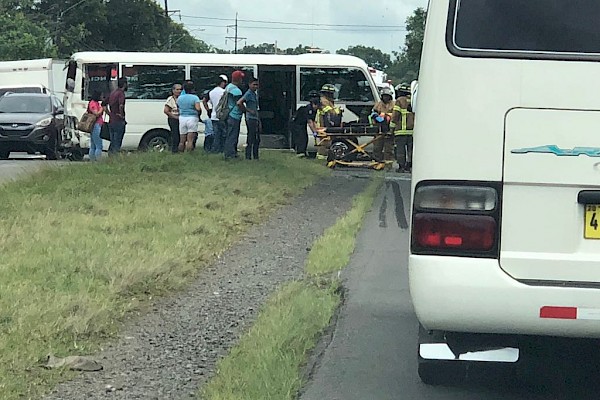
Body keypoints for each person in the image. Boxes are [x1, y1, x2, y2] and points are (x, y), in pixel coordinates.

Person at [391, 83, 415, 173]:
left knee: (400, 149)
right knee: (411, 149)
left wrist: (391, 128)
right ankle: (409, 166)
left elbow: (395, 115)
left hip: (401, 131)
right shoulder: (414, 100)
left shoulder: (400, 100)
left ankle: (401, 167)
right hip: (413, 131)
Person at [315, 83, 342, 160]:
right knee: (324, 141)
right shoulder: (324, 101)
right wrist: (338, 111)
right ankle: (321, 157)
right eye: (331, 93)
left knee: (327, 140)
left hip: (326, 124)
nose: (332, 95)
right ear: (327, 93)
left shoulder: (328, 101)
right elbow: (330, 112)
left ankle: (325, 156)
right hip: (322, 125)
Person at [370, 86, 395, 164]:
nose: (386, 98)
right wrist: (378, 118)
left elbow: (395, 115)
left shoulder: (394, 104)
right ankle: (377, 162)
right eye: (384, 96)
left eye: (387, 96)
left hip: (389, 129)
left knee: (388, 149)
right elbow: (373, 114)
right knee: (377, 147)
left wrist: (386, 117)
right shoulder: (378, 104)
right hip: (379, 129)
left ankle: (388, 164)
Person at [237, 77, 261, 160]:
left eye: (257, 85)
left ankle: (255, 155)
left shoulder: (254, 94)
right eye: (254, 84)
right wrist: (248, 110)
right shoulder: (248, 93)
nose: (255, 86)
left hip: (255, 118)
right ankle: (248, 156)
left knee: (256, 138)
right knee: (251, 137)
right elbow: (239, 102)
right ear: (249, 84)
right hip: (251, 118)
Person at [290, 90, 319, 157]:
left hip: (301, 124)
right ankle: (300, 152)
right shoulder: (309, 109)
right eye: (316, 105)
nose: (317, 107)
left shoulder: (312, 109)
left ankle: (302, 151)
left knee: (304, 137)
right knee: (302, 137)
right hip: (296, 123)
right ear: (314, 104)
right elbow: (310, 122)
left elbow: (313, 121)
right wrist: (314, 132)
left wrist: (317, 129)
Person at [223, 70, 245, 160]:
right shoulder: (236, 91)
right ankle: (231, 154)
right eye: (241, 79)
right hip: (234, 115)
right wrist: (245, 110)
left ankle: (229, 152)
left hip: (229, 114)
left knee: (229, 134)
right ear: (239, 79)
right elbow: (239, 103)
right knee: (233, 135)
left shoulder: (228, 87)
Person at [176, 80, 201, 152]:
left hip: (182, 118)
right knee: (190, 140)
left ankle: (180, 153)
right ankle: (189, 154)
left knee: (182, 140)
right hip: (192, 118)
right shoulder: (195, 98)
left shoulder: (180, 98)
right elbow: (198, 108)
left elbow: (178, 107)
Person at [207, 74, 228, 153]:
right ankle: (223, 149)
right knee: (224, 134)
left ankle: (215, 149)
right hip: (222, 116)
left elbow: (210, 103)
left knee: (216, 134)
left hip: (214, 115)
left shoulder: (211, 92)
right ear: (222, 83)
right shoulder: (224, 92)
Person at [107, 77, 127, 155]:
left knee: (112, 141)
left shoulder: (112, 93)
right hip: (118, 121)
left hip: (111, 120)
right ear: (124, 84)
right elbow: (121, 105)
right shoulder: (121, 93)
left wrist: (109, 113)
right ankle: (115, 158)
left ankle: (110, 156)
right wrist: (121, 115)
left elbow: (104, 104)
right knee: (117, 142)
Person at [164, 83, 182, 153]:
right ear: (173, 90)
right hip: (173, 119)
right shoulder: (170, 99)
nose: (179, 91)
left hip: (182, 119)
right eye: (177, 89)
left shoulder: (182, 98)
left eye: (180, 89)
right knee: (175, 135)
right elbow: (166, 111)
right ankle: (174, 150)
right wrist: (175, 117)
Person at [88, 90, 105, 161]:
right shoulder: (93, 104)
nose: (102, 97)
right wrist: (102, 108)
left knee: (93, 145)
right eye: (101, 95)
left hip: (97, 125)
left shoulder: (96, 103)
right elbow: (96, 113)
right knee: (98, 145)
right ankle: (97, 160)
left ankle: (92, 159)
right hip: (96, 125)